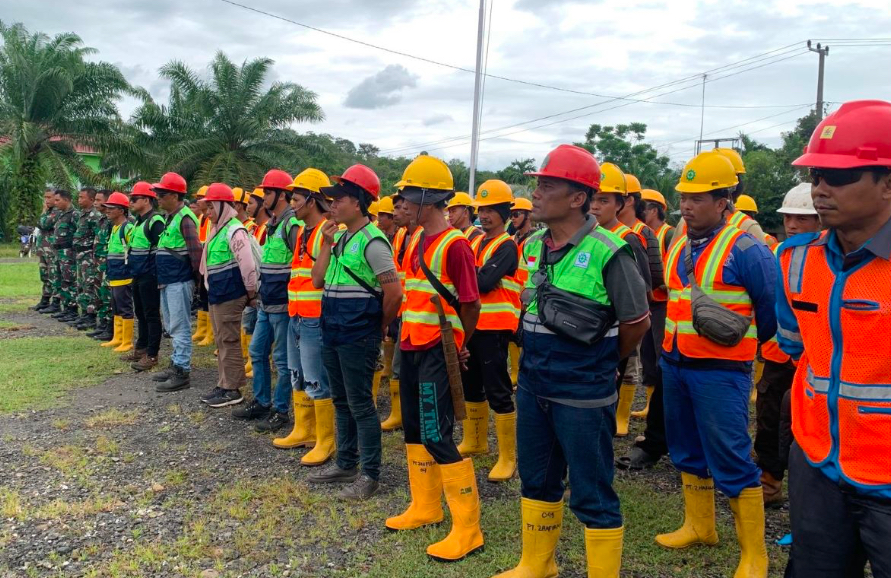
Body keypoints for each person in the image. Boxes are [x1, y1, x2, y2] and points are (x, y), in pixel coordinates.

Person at [494, 145, 649, 578]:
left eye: (546, 185)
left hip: (583, 391)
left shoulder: (610, 252)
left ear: (578, 197)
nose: (535, 193)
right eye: (537, 183)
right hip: (533, 384)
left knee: (591, 491)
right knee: (537, 477)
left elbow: (637, 322)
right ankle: (537, 564)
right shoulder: (533, 246)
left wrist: (602, 364)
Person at [776, 100, 891, 577]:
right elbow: (794, 346)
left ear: (888, 183)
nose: (820, 189)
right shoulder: (795, 260)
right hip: (818, 463)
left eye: (839, 177)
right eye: (817, 174)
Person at [656, 150, 777, 578]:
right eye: (684, 196)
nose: (686, 205)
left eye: (698, 198)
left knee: (731, 455)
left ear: (724, 200)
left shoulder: (747, 247)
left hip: (722, 371)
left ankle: (754, 555)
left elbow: (770, 310)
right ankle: (700, 525)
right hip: (675, 362)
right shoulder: (675, 240)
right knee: (686, 448)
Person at [384, 154, 484, 563]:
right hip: (411, 346)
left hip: (434, 352)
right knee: (414, 431)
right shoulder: (414, 240)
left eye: (407, 197)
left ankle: (468, 529)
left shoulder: (455, 245)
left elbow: (471, 303)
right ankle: (425, 508)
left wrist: (460, 342)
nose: (401, 205)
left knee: (436, 434)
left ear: (428, 198)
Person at [306, 164, 401, 501]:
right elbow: (318, 281)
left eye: (338, 200)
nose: (331, 206)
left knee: (361, 404)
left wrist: (377, 327)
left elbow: (394, 293)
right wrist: (327, 244)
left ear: (358, 203)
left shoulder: (373, 242)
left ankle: (370, 474)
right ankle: (346, 463)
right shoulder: (342, 238)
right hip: (333, 329)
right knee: (342, 400)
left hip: (357, 333)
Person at [754, 183, 820, 508]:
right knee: (769, 414)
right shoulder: (782, 253)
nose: (792, 224)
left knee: (797, 421)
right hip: (781, 354)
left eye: (802, 218)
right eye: (789, 217)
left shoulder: (830, 256)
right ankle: (769, 482)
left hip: (813, 359)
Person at [457, 179, 521, 483]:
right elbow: (469, 278)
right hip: (472, 325)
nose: (485, 215)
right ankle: (476, 441)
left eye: (491, 210)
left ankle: (507, 456)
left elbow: (480, 284)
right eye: (481, 210)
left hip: (494, 328)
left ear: (505, 213)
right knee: (471, 384)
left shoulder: (506, 245)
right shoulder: (476, 242)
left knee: (497, 389)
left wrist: (471, 276)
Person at [273, 169, 336, 464]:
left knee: (317, 378)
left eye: (296, 199)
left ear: (312, 200)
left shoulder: (328, 232)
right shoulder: (302, 233)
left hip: (315, 318)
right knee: (297, 373)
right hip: (296, 314)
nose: (292, 204)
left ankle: (326, 439)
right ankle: (303, 429)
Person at [589, 162, 652, 437]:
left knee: (605, 396)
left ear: (621, 203)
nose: (595, 206)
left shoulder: (629, 239)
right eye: (592, 198)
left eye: (603, 200)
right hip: (588, 332)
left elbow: (644, 290)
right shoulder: (585, 236)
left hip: (615, 332)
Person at [234, 169, 298, 431]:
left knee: (282, 360)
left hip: (282, 305)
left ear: (282, 195)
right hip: (266, 302)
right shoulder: (273, 224)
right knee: (257, 351)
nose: (263, 196)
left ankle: (281, 410)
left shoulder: (292, 225)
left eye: (268, 192)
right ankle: (262, 402)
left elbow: (299, 264)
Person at [619, 187, 675, 470]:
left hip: (660, 305)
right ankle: (653, 418)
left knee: (656, 359)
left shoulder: (659, 233)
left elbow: (657, 273)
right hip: (653, 306)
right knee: (652, 361)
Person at [199, 183, 257, 408]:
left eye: (211, 208)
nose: (208, 213)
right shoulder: (218, 228)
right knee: (221, 339)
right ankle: (224, 384)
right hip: (218, 293)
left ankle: (232, 389)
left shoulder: (234, 230)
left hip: (230, 294)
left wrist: (250, 293)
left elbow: (248, 265)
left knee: (229, 340)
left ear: (223, 206)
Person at [151, 173, 202, 391]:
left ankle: (182, 371)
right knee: (172, 325)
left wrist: (196, 283)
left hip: (179, 281)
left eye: (161, 194)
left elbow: (196, 254)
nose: (158, 198)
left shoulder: (185, 218)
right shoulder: (171, 217)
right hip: (168, 280)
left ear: (174, 195)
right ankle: (175, 364)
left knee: (180, 326)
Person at [380, 192, 422, 432]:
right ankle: (399, 414)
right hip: (403, 310)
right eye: (394, 208)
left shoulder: (421, 236)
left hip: (417, 314)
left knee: (406, 367)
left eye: (398, 208)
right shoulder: (401, 237)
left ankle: (408, 415)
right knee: (399, 365)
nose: (396, 212)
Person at [121, 181, 166, 366]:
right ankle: (141, 348)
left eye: (134, 199)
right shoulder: (139, 222)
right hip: (138, 274)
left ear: (147, 200)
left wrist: (157, 276)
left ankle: (152, 354)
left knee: (151, 314)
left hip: (149, 275)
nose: (130, 202)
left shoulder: (155, 221)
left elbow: (161, 249)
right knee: (140, 312)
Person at [100, 192, 135, 351]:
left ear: (121, 210)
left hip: (124, 275)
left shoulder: (127, 227)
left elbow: (133, 250)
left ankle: (127, 341)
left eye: (111, 208)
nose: (107, 211)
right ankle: (117, 337)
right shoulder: (115, 227)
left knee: (124, 307)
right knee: (116, 306)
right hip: (114, 274)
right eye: (107, 208)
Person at [242, 186, 269, 378]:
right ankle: (251, 360)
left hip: (264, 286)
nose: (248, 207)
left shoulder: (269, 228)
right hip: (253, 284)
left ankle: (260, 360)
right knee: (249, 322)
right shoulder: (252, 228)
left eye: (252, 203)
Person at [508, 197, 535, 386]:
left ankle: (523, 372)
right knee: (512, 334)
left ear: (528, 215)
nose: (513, 218)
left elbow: (533, 271)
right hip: (511, 296)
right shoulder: (511, 239)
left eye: (516, 214)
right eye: (511, 215)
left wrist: (527, 297)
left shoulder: (535, 240)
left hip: (525, 297)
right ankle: (515, 372)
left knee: (524, 338)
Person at [69, 187, 103, 330]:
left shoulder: (94, 216)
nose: (79, 200)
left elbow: (98, 236)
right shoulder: (83, 214)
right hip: (80, 255)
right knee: (81, 285)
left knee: (89, 285)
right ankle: (84, 313)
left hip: (88, 255)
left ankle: (90, 315)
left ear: (91, 199)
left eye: (82, 197)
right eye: (78, 197)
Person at [87, 190, 115, 341]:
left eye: (99, 200)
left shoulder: (115, 220)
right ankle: (103, 324)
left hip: (108, 262)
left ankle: (111, 327)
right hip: (98, 262)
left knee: (108, 295)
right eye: (95, 200)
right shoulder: (102, 220)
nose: (95, 203)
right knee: (100, 294)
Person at [50, 189, 79, 322]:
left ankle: (72, 309)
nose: (55, 203)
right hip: (59, 253)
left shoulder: (74, 214)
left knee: (69, 280)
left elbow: (79, 233)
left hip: (68, 252)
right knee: (61, 281)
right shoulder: (61, 215)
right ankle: (66, 307)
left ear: (66, 200)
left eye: (58, 200)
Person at [192, 185, 215, 347]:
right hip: (202, 261)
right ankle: (202, 329)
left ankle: (211, 332)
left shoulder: (212, 218)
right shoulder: (200, 218)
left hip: (209, 261)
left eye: (201, 198)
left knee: (209, 297)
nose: (198, 201)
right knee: (202, 295)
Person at [34, 190, 59, 314]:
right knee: (45, 276)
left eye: (49, 197)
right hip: (44, 249)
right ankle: (45, 300)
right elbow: (39, 224)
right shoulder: (49, 212)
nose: (47, 200)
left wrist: (43, 212)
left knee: (53, 276)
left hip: (52, 250)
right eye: (45, 197)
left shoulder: (57, 212)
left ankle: (56, 302)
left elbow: (44, 224)